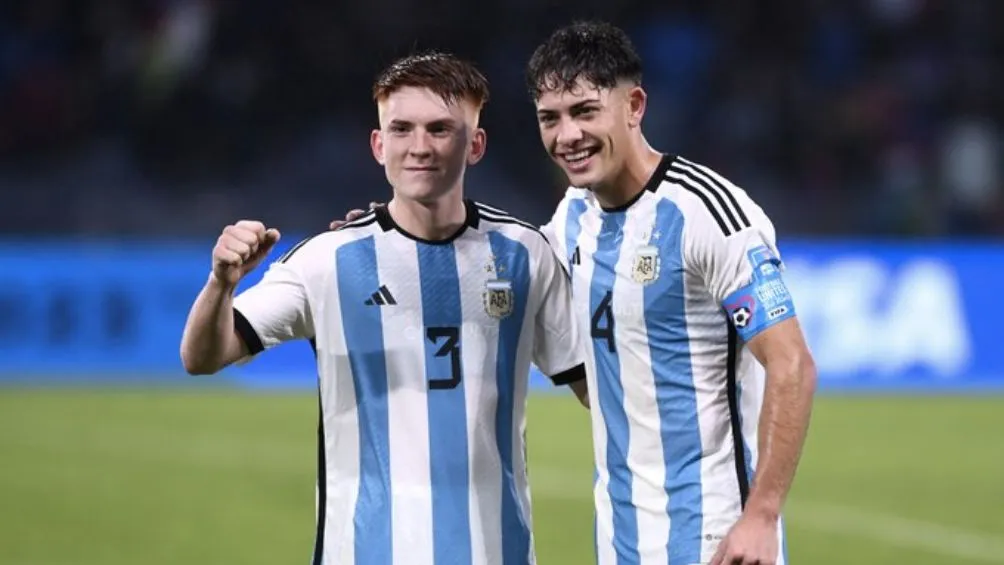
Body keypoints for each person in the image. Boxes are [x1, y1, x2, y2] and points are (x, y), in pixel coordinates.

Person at [335, 20, 817, 565]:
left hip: (716, 536)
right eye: (551, 118)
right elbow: (502, 282)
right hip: (621, 538)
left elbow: (792, 364)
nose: (568, 136)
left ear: (633, 105)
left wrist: (761, 517)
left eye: (585, 111)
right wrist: (393, 237)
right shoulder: (571, 222)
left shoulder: (707, 214)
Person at [180, 51, 588, 565]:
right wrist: (221, 283)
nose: (420, 147)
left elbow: (600, 391)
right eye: (402, 129)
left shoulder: (525, 254)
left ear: (476, 144)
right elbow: (201, 356)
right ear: (379, 144)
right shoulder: (326, 260)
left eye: (441, 129)